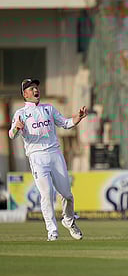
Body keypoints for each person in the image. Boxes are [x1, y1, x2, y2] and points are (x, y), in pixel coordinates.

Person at [8, 78, 88, 241]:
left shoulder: (49, 109)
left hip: (55, 154)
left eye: (36, 87)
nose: (36, 90)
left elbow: (65, 123)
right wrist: (17, 128)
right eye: (31, 89)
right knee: (46, 194)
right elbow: (11, 135)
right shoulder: (20, 114)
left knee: (67, 194)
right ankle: (52, 231)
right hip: (37, 157)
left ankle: (69, 220)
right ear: (25, 94)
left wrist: (77, 118)